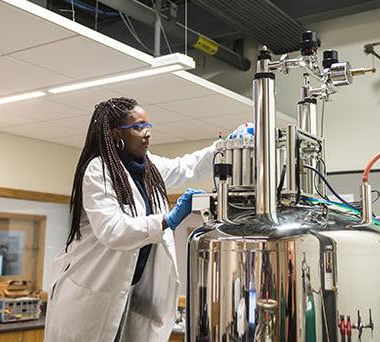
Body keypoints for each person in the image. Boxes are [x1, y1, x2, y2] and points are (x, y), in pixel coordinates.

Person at [44, 97, 251, 341]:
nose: (147, 133)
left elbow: (187, 166)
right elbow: (113, 230)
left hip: (131, 293)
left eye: (148, 126)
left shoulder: (149, 167)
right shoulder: (98, 170)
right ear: (114, 134)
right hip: (91, 294)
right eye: (138, 127)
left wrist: (227, 144)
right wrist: (166, 221)